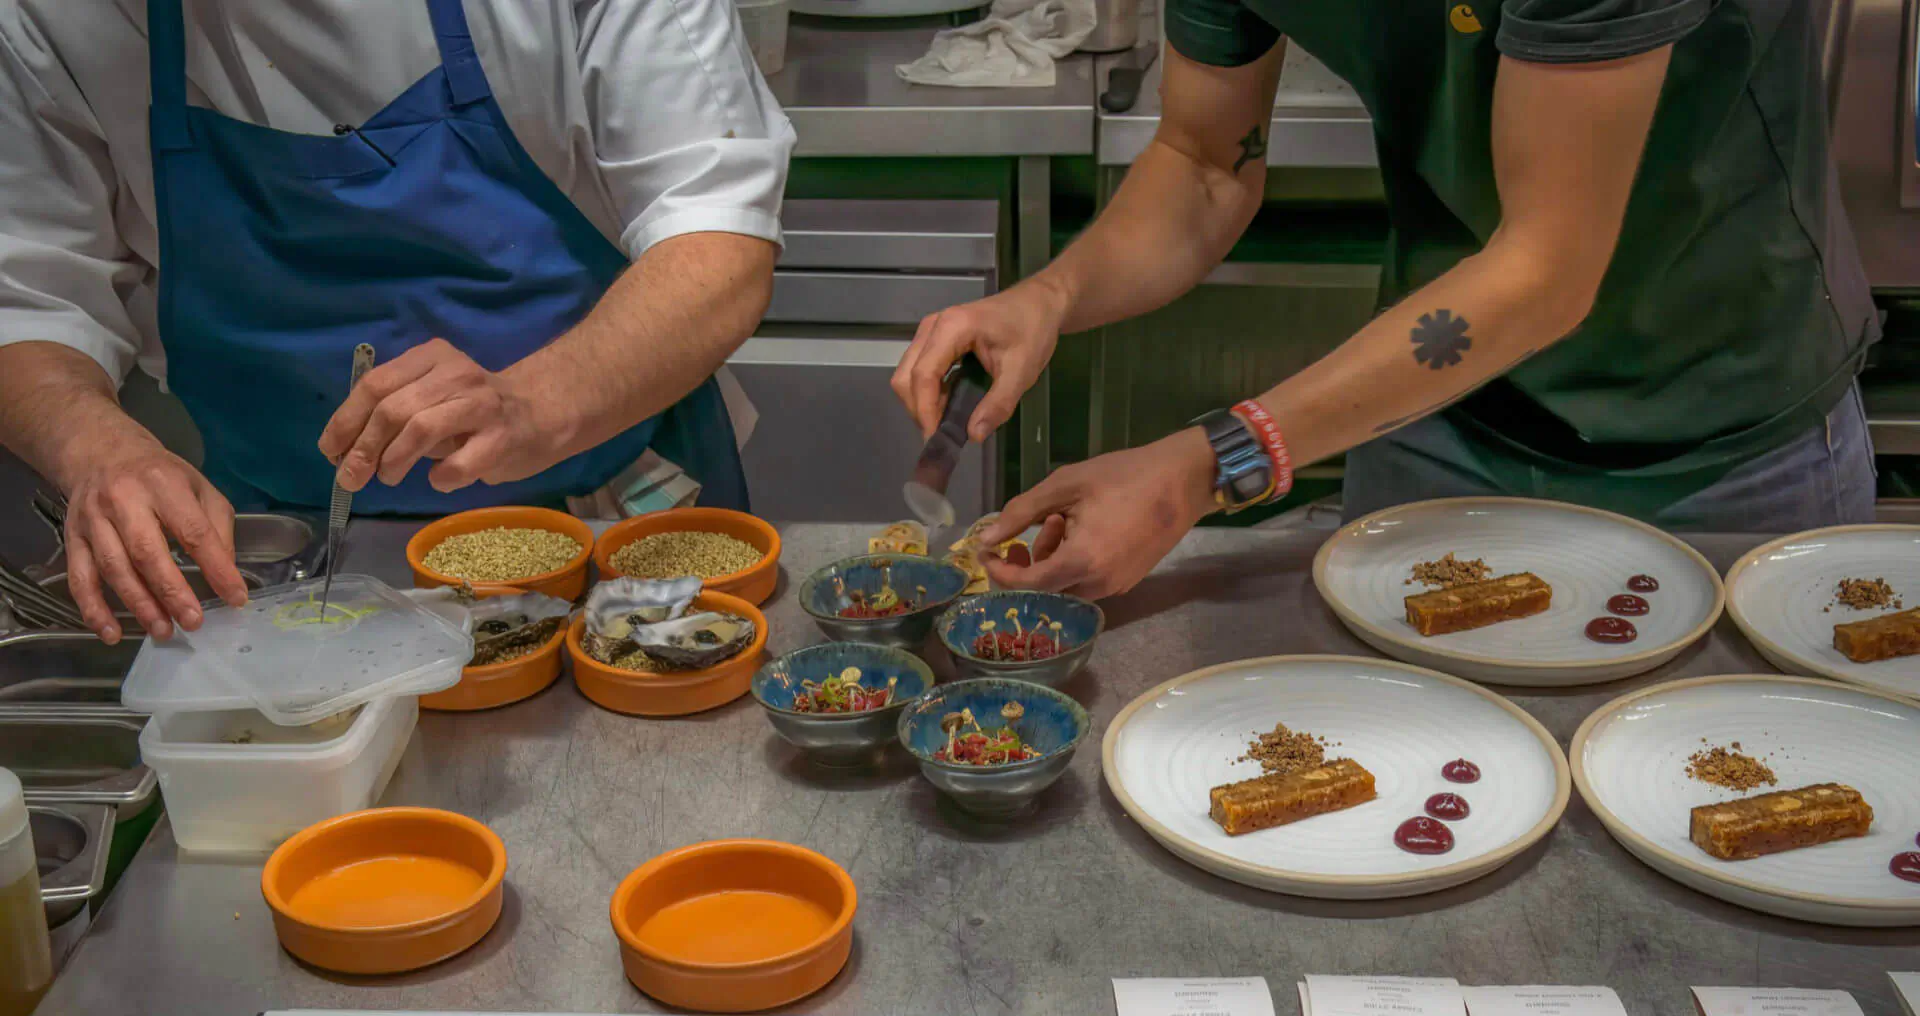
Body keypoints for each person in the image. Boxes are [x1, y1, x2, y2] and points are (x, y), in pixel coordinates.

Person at [892, 0, 1878, 599]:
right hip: (1435, 414)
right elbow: (1203, 161)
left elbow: (1545, 270)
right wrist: (1052, 294)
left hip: (1720, 433)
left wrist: (1200, 467)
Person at [0, 0, 793, 641]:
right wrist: (95, 448)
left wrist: (530, 401)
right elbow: (28, 294)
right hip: (273, 558)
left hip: (614, 514)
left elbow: (717, 241)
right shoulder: (55, 20)